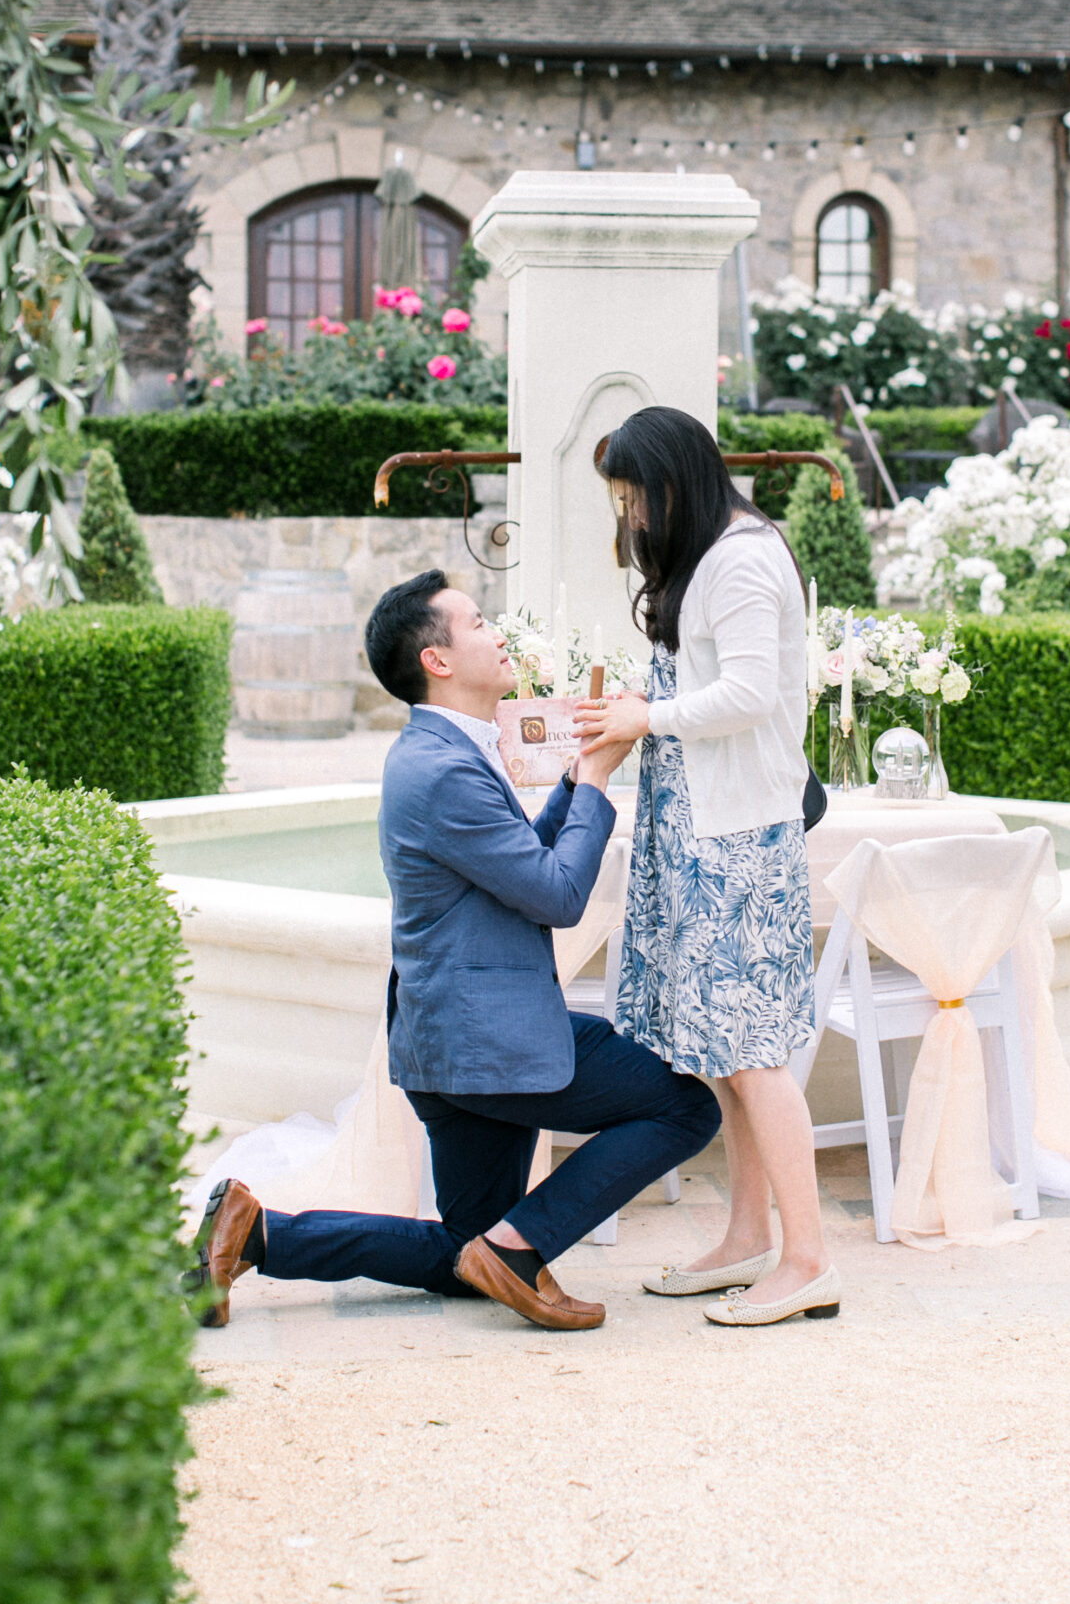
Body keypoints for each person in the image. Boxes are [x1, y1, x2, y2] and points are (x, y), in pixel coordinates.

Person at [185, 569, 720, 1334]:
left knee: (467, 1255)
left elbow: (517, 870)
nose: (497, 632)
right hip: (489, 1041)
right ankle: (521, 1247)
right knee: (684, 1107)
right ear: (436, 660)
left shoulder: (446, 751)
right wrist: (600, 781)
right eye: (476, 623)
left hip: (452, 1045)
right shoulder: (441, 770)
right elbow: (560, 896)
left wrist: (573, 779)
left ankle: (255, 1231)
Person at [574, 407, 839, 1326]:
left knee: (754, 1055)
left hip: (738, 837)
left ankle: (805, 1258)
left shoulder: (743, 558)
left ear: (675, 481)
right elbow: (699, 686)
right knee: (728, 1059)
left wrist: (646, 719)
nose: (633, 517)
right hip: (699, 828)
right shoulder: (709, 555)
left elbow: (752, 692)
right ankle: (747, 1238)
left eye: (636, 497)